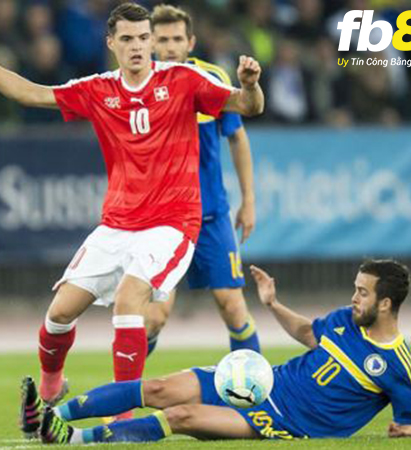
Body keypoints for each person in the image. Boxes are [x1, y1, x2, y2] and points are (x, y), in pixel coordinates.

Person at [0, 2, 264, 436]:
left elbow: (246, 106)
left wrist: (251, 85)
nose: (139, 47)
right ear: (111, 43)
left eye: (145, 38)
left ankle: (120, 416)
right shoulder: (98, 89)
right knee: (59, 314)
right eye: (129, 39)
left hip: (172, 222)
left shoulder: (183, 81)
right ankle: (51, 384)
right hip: (117, 224)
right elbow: (33, 93)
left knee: (131, 299)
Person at [31, 259, 411, 444]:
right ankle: (46, 418)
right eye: (355, 288)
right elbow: (307, 332)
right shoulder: (344, 320)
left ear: (385, 304)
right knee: (160, 388)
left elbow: (409, 425)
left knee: (180, 415)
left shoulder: (399, 367)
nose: (354, 297)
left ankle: (72, 440)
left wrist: (402, 430)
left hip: (285, 422)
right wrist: (271, 303)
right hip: (264, 382)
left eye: (362, 292)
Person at [145, 5, 260, 356]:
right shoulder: (137, 85)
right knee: (154, 317)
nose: (169, 47)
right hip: (161, 220)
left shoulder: (211, 79)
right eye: (162, 39)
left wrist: (249, 200)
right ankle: (121, 400)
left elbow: (237, 137)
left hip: (210, 215)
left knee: (232, 305)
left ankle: (257, 398)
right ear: (150, 42)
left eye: (177, 38)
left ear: (190, 42)